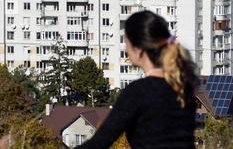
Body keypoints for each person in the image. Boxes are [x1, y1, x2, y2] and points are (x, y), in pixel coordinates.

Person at [78, 10, 198, 148]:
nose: (125, 50)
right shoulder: (183, 87)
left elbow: (98, 143)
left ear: (139, 49)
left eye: (126, 43)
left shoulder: (138, 92)